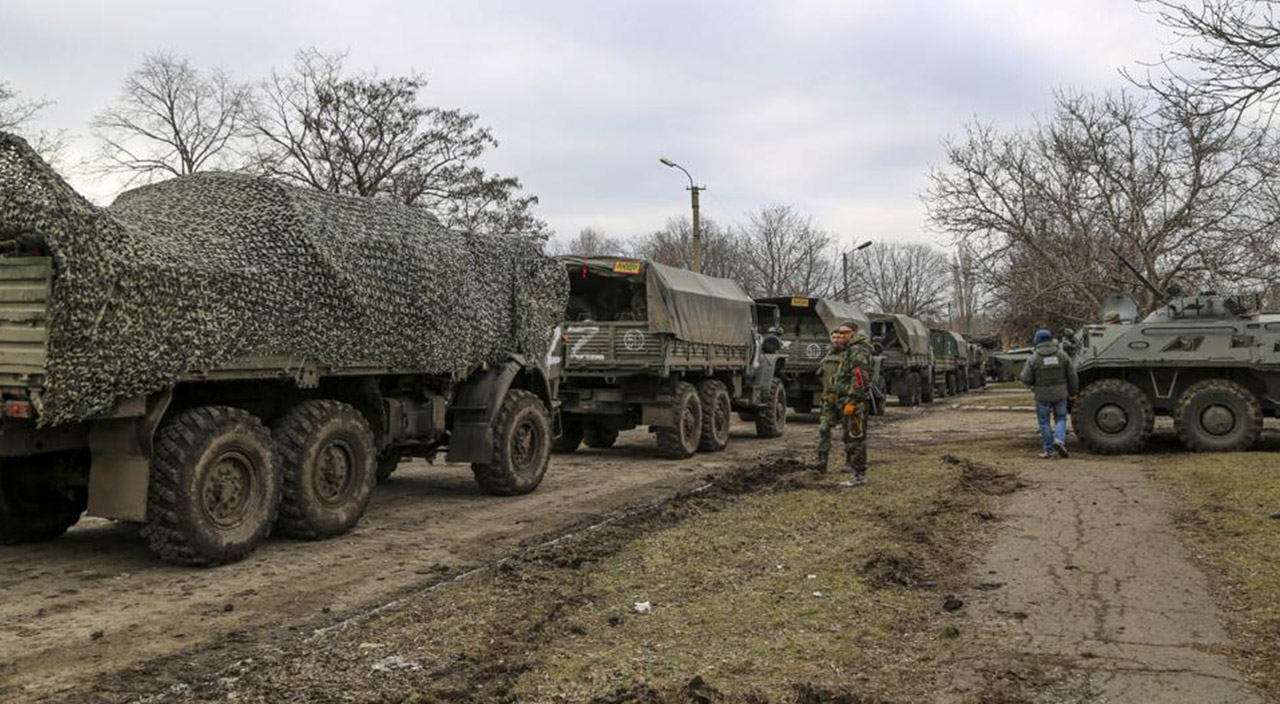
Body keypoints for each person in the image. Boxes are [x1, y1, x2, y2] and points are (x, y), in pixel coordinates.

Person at [814, 321, 874, 485]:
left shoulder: (858, 351)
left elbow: (860, 379)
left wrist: (853, 401)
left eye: (845, 333)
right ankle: (857, 474)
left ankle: (859, 475)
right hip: (844, 400)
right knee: (850, 438)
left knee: (855, 437)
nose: (841, 336)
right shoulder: (849, 350)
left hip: (854, 402)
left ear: (854, 333)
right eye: (839, 334)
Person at [1020, 328, 1078, 459]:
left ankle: (1049, 450)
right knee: (1061, 419)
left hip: (1042, 395)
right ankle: (1059, 440)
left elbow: (1025, 378)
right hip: (1060, 394)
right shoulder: (1062, 355)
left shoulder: (1034, 358)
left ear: (1037, 341)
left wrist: (1032, 383)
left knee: (1044, 422)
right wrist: (1073, 391)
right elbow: (1072, 375)